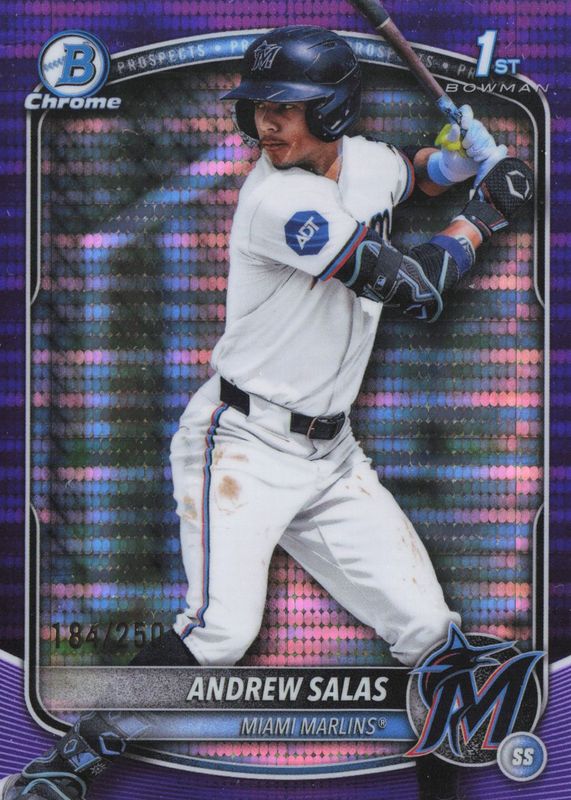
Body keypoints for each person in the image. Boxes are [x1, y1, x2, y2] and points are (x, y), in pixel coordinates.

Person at [2, 25, 533, 800]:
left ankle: (443, 790)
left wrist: (456, 161)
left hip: (331, 457)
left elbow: (407, 173)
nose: (265, 124)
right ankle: (64, 765)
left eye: (286, 107)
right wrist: (482, 214)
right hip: (242, 446)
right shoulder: (276, 200)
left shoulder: (360, 159)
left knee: (430, 632)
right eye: (258, 108)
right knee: (220, 631)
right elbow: (411, 288)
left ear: (334, 112)